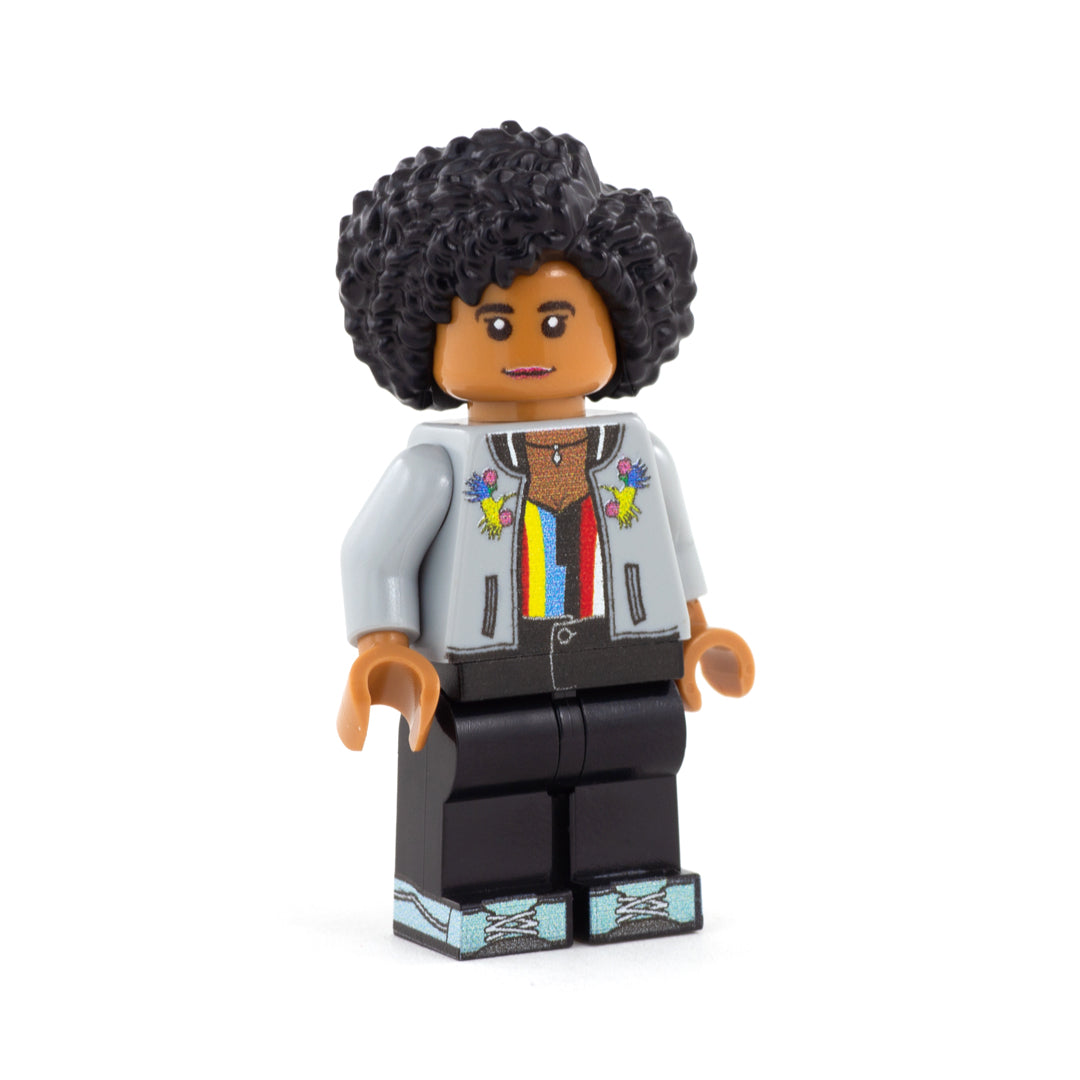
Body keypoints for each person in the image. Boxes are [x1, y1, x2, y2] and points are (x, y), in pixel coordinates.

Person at [335, 121, 754, 959]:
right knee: (486, 774)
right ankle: (486, 894)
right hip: (491, 671)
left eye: (557, 320)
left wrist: (699, 632)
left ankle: (630, 881)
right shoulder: (437, 469)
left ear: (618, 323)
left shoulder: (639, 458)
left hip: (623, 659)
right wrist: (385, 648)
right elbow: (373, 555)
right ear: (429, 337)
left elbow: (671, 551)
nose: (529, 344)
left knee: (636, 759)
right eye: (496, 325)